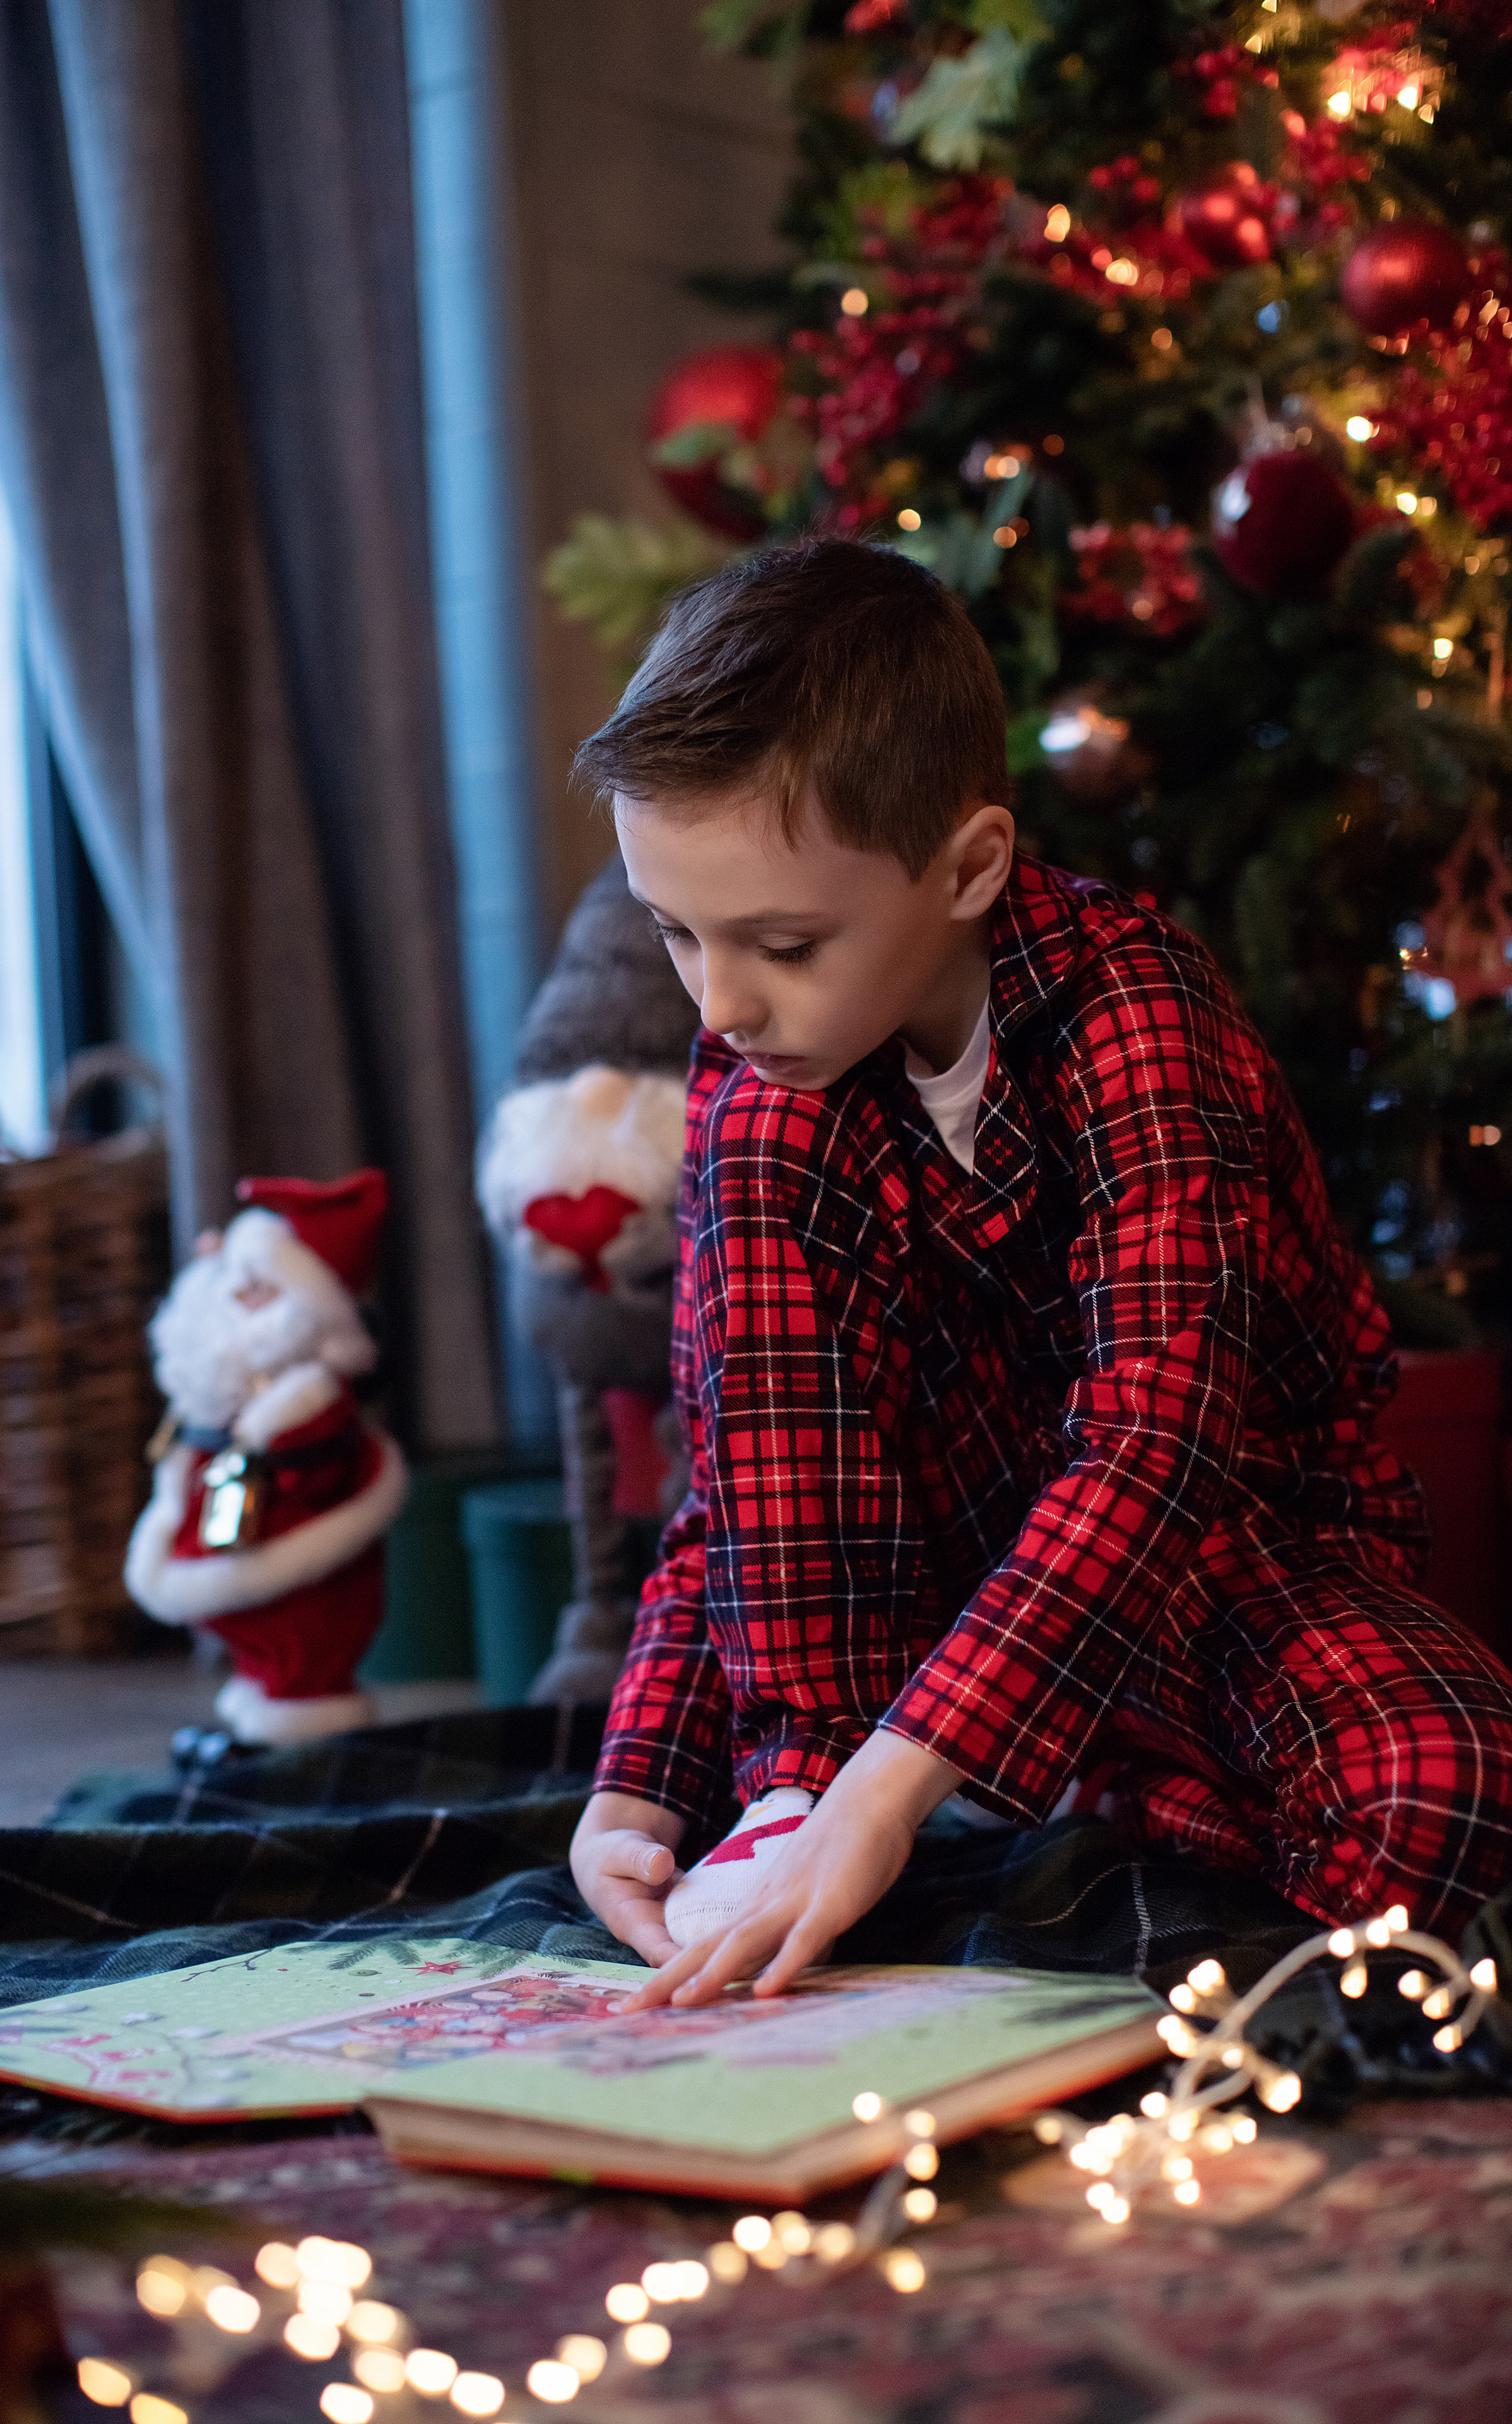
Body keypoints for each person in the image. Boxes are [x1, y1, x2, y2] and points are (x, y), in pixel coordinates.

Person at [565, 537, 1512, 2011]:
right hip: (905, 1600)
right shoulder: (760, 1087)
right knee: (767, 1137)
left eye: (784, 943)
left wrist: (889, 1799)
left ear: (970, 870)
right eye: (675, 934)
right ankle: (820, 1801)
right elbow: (745, 1474)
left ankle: (1091, 1800)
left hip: (1223, 1560)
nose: (723, 1000)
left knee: (1443, 1789)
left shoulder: (1135, 1018)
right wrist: (640, 1787)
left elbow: (1158, 1443)